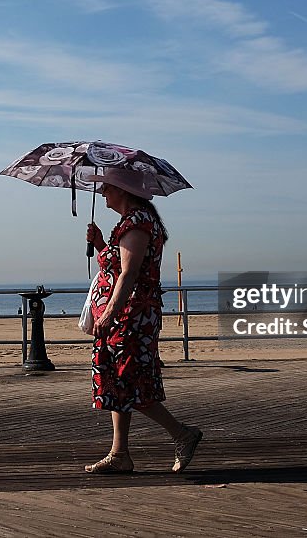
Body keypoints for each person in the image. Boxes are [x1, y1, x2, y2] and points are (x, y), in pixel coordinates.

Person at [82, 168, 202, 474]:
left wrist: (109, 313)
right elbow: (119, 264)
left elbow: (130, 273)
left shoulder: (137, 222)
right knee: (118, 380)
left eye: (108, 187)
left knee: (130, 380)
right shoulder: (130, 222)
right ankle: (120, 453)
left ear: (124, 190)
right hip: (125, 314)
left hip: (130, 316)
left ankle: (182, 434)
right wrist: (99, 245)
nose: (103, 192)